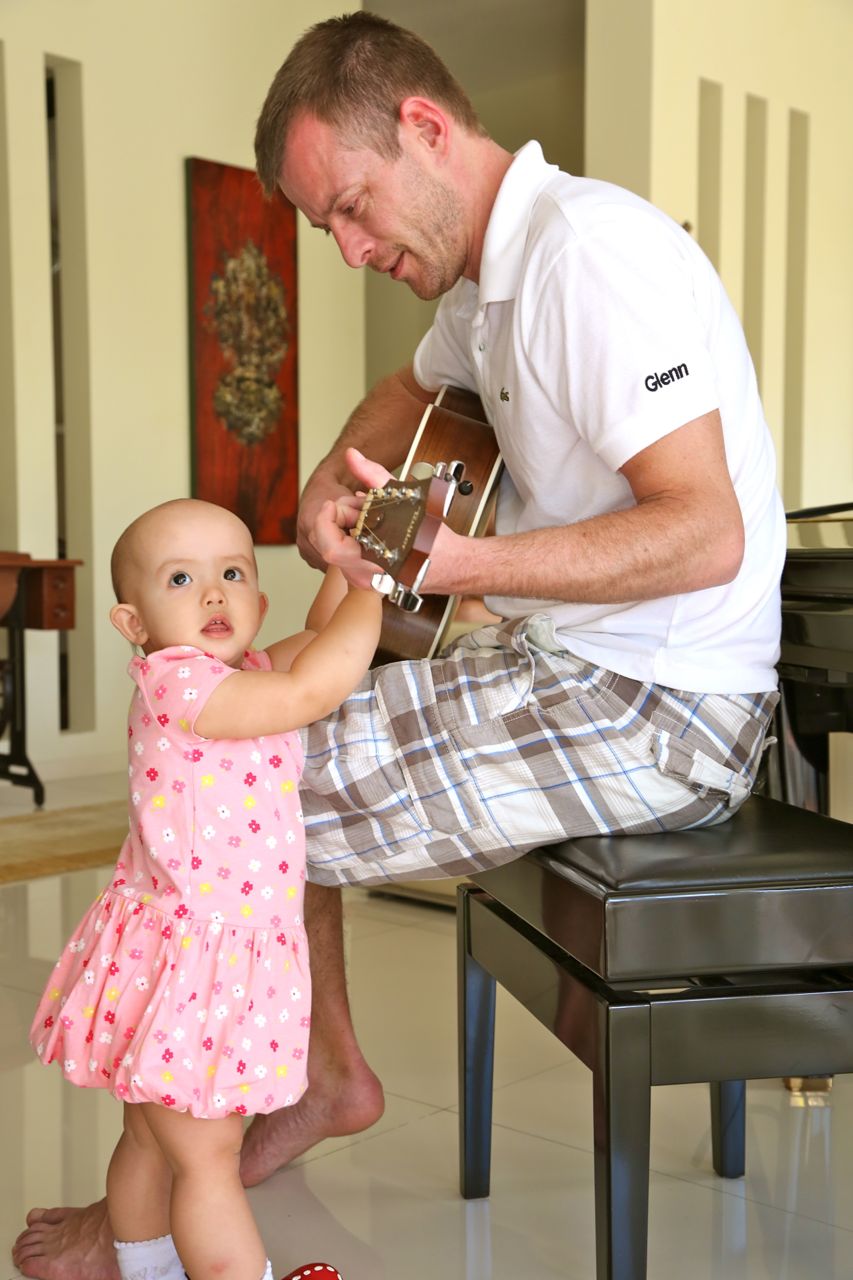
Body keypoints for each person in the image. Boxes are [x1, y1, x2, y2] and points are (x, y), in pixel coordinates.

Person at [13, 12, 786, 1279]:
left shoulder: (590, 256)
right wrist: (329, 483)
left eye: (352, 208)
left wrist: (458, 566)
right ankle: (292, 1090)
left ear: (425, 128)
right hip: (569, 666)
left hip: (658, 708)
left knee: (241, 779)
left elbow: (705, 533)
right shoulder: (490, 280)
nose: (351, 248)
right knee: (259, 733)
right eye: (327, 225)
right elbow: (415, 390)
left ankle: (203, 1156)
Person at [24, 497, 381, 1280]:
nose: (214, 593)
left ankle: (147, 1269)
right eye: (181, 579)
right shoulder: (179, 685)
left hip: (181, 960)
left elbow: (320, 639)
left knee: (151, 1141)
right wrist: (371, 586)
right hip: (198, 970)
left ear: (258, 600)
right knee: (209, 1158)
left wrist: (344, 559)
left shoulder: (239, 674)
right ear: (134, 623)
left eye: (233, 573)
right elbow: (314, 690)